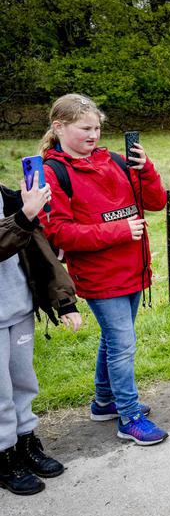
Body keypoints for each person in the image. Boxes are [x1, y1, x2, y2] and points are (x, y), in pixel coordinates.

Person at [40, 93, 168, 444]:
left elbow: (156, 202)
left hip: (133, 267)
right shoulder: (54, 172)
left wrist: (146, 169)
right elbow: (59, 231)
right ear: (59, 127)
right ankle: (129, 417)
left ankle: (104, 401)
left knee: (115, 339)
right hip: (99, 275)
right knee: (123, 344)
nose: (93, 135)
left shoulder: (115, 161)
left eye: (97, 127)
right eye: (85, 128)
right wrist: (119, 230)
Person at [0, 179, 81, 495]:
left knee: (23, 381)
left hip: (18, 307)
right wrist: (24, 216)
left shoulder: (6, 196)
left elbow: (39, 251)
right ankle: (4, 454)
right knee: (1, 391)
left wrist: (64, 301)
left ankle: (25, 442)